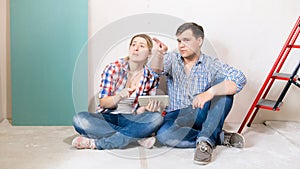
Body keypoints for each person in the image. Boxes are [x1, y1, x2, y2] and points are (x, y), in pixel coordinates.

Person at [150, 22, 247, 165]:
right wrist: (158, 55)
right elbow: (154, 71)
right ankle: (216, 137)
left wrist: (211, 92)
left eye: (186, 40)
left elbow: (239, 79)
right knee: (164, 135)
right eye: (179, 41)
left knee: (224, 88)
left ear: (199, 41)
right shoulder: (172, 58)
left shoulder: (211, 64)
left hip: (200, 112)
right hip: (176, 115)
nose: (181, 45)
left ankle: (204, 143)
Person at [72, 34, 164, 150]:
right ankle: (137, 136)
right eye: (133, 44)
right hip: (108, 118)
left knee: (156, 118)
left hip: (133, 118)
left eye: (141, 46)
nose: (136, 48)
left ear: (149, 54)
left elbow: (142, 110)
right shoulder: (113, 69)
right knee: (79, 120)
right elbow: (104, 103)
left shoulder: (150, 77)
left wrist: (146, 109)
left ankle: (97, 143)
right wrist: (119, 96)